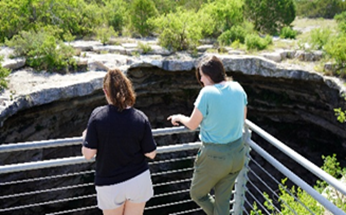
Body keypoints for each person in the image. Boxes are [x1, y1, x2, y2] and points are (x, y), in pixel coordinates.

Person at [167, 55, 248, 215]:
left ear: (209, 75)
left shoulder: (207, 93)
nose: (201, 80)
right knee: (223, 202)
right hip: (238, 153)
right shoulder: (238, 87)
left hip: (214, 157)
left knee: (197, 193)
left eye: (202, 76)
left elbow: (192, 124)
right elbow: (242, 118)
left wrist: (178, 117)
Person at [82, 68, 157, 215]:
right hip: (138, 179)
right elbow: (151, 153)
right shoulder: (140, 117)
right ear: (127, 89)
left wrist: (85, 137)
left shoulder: (97, 116)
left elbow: (88, 154)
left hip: (110, 184)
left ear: (105, 91)